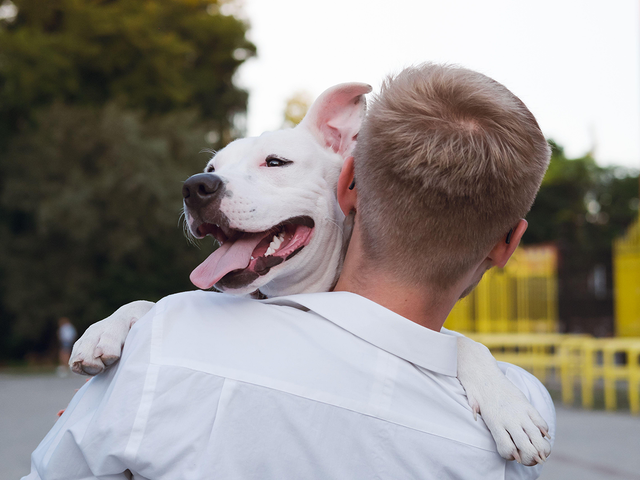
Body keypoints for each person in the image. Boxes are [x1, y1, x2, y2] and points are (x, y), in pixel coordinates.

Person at [23, 63, 555, 479]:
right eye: (212, 173)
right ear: (508, 243)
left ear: (345, 181)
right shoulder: (522, 405)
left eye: (274, 164)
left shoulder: (170, 339)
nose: (210, 186)